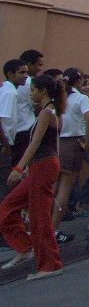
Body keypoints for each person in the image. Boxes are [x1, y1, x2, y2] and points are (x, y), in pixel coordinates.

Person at [0, 73, 66, 280]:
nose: (31, 93)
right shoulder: (48, 112)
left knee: (39, 217)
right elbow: (51, 145)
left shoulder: (47, 113)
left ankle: (51, 264)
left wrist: (18, 168)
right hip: (41, 166)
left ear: (43, 91)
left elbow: (35, 143)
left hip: (43, 166)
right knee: (8, 206)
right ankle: (25, 247)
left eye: (34, 89)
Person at [53, 68, 89, 244]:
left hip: (56, 142)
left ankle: (43, 226)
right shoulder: (81, 98)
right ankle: (53, 228)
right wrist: (88, 140)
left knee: (52, 187)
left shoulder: (59, 97)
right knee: (64, 189)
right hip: (72, 142)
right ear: (78, 81)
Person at [0, 59, 29, 203]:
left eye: (26, 72)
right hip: (3, 145)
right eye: (21, 72)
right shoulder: (9, 93)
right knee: (4, 185)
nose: (25, 76)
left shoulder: (8, 90)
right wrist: (6, 146)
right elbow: (2, 120)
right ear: (10, 74)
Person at [13, 50, 45, 167]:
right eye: (39, 65)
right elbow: (38, 107)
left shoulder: (11, 84)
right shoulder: (30, 83)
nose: (40, 69)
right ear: (30, 64)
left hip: (14, 131)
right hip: (25, 131)